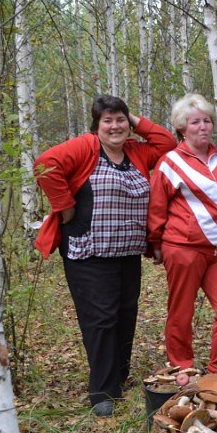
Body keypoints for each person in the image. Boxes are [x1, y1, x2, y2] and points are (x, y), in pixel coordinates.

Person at [34, 95, 176, 416]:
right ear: (96, 126)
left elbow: (166, 143)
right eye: (108, 121)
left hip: (127, 251)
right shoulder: (86, 148)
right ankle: (102, 390)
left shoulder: (136, 151)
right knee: (101, 320)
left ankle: (119, 378)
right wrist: (64, 206)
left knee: (126, 315)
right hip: (88, 251)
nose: (115, 126)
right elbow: (45, 165)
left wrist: (137, 121)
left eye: (121, 119)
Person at [147, 93, 217, 376]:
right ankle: (181, 366)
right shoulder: (170, 162)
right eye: (195, 122)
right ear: (182, 127)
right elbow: (157, 206)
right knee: (181, 312)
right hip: (183, 248)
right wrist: (155, 243)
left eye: (207, 120)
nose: (203, 127)